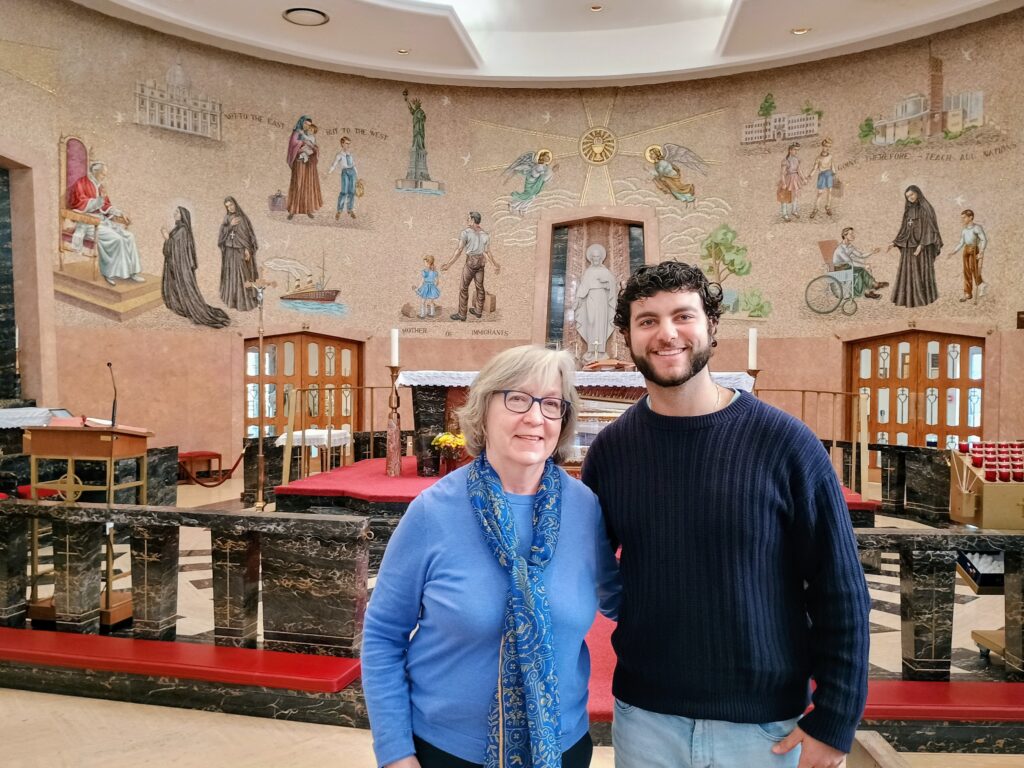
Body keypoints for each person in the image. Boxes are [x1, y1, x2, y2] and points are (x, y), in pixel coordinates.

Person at [582, 261, 870, 768]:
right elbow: (586, 569)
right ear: (626, 337)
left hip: (763, 726)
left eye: (683, 316)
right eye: (647, 321)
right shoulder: (612, 450)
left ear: (711, 326)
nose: (666, 333)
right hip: (645, 719)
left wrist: (835, 717)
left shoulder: (786, 444)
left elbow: (840, 588)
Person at [362, 344, 620, 768]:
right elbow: (383, 635)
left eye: (551, 404)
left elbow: (622, 601)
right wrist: (395, 753)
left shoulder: (585, 508)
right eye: (517, 398)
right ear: (483, 410)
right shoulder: (433, 511)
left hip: (562, 747)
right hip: (446, 751)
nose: (535, 417)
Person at [67, 161, 145, 286]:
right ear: (95, 172)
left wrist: (120, 213)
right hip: (89, 223)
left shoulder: (100, 186)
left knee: (129, 236)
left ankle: (132, 272)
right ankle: (109, 273)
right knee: (117, 239)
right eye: (102, 174)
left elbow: (106, 205)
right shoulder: (81, 183)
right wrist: (99, 200)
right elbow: (80, 205)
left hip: (102, 221)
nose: (104, 177)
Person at [160, 207, 229, 328]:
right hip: (176, 264)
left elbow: (176, 247)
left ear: (182, 215)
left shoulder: (183, 230)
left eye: (177, 212)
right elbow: (172, 248)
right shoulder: (178, 229)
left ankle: (190, 307)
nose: (174, 213)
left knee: (186, 287)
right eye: (175, 211)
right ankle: (180, 304)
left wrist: (167, 238)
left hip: (181, 266)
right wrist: (168, 239)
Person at [887, 185, 943, 308]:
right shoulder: (908, 210)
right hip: (909, 247)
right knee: (908, 273)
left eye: (912, 194)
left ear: (918, 193)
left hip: (923, 247)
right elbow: (904, 228)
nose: (910, 198)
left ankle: (923, 299)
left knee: (921, 272)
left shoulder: (926, 208)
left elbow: (930, 229)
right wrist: (895, 242)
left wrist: (921, 245)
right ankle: (907, 300)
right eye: (908, 196)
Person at [442, 211, 501, 321]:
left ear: (473, 220)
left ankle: (462, 314)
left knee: (463, 288)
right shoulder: (485, 234)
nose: (467, 220)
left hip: (470, 263)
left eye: (468, 218)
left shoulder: (465, 233)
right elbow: (487, 252)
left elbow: (459, 250)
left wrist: (448, 264)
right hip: (481, 264)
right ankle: (478, 311)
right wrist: (494, 265)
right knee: (480, 287)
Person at [573, 243, 618, 361]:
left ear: (601, 258)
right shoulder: (588, 272)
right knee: (591, 322)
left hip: (603, 300)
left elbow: (612, 286)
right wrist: (578, 299)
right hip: (591, 299)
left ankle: (601, 351)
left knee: (601, 323)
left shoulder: (606, 272)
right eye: (594, 257)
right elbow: (583, 287)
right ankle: (591, 350)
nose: (596, 259)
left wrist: (605, 283)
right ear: (591, 258)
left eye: (598, 257)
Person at [217, 196, 260, 311]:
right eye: (227, 206)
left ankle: (245, 302)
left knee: (242, 275)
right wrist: (230, 225)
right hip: (229, 252)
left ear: (235, 204)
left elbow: (247, 235)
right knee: (231, 275)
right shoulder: (227, 218)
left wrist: (247, 249)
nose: (230, 208)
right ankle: (232, 300)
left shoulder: (242, 218)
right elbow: (221, 235)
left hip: (239, 251)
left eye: (231, 205)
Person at [831, 227, 889, 300]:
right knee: (858, 273)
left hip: (846, 267)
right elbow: (850, 262)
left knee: (861, 270)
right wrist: (864, 265)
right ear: (845, 235)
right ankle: (866, 292)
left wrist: (872, 252)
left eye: (853, 234)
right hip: (839, 270)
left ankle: (874, 284)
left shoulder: (849, 246)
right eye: (851, 234)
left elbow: (860, 255)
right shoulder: (840, 249)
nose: (853, 235)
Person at [286, 115, 323, 219]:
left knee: (306, 186)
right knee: (297, 185)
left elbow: (314, 146)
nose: (307, 126)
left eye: (309, 125)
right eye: (306, 123)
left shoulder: (308, 134)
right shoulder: (296, 133)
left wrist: (314, 148)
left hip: (307, 165)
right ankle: (293, 210)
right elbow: (293, 146)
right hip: (298, 163)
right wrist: (302, 145)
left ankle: (307, 209)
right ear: (301, 122)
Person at [949, 209, 988, 302]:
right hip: (966, 250)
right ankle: (968, 293)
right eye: (962, 218)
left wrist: (981, 251)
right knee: (966, 271)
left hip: (974, 249)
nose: (962, 220)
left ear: (971, 217)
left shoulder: (977, 228)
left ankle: (981, 284)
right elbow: (961, 242)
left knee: (974, 269)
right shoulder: (964, 230)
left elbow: (984, 239)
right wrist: (954, 251)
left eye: (964, 218)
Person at [327, 136, 358, 220]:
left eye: (349, 144)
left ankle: (350, 210)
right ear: (342, 144)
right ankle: (339, 210)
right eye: (346, 143)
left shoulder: (350, 154)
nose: (348, 145)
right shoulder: (339, 155)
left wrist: (357, 176)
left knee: (352, 192)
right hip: (345, 172)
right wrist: (329, 173)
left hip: (352, 172)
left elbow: (354, 164)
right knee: (344, 192)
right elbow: (334, 164)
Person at [808, 138, 837, 219]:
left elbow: (832, 165)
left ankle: (827, 207)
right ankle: (815, 209)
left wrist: (834, 173)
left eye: (828, 147)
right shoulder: (818, 158)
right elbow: (815, 168)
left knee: (829, 192)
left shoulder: (830, 156)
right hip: (822, 175)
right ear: (822, 146)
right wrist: (810, 175)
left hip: (829, 175)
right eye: (825, 146)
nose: (827, 148)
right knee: (819, 193)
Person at [778, 142, 805, 222]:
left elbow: (799, 170)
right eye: (795, 150)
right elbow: (782, 173)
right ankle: (785, 214)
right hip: (788, 179)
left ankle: (794, 210)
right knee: (785, 197)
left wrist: (803, 178)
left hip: (795, 179)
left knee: (795, 195)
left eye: (797, 150)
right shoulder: (785, 161)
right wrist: (783, 183)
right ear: (790, 150)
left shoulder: (797, 160)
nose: (796, 152)